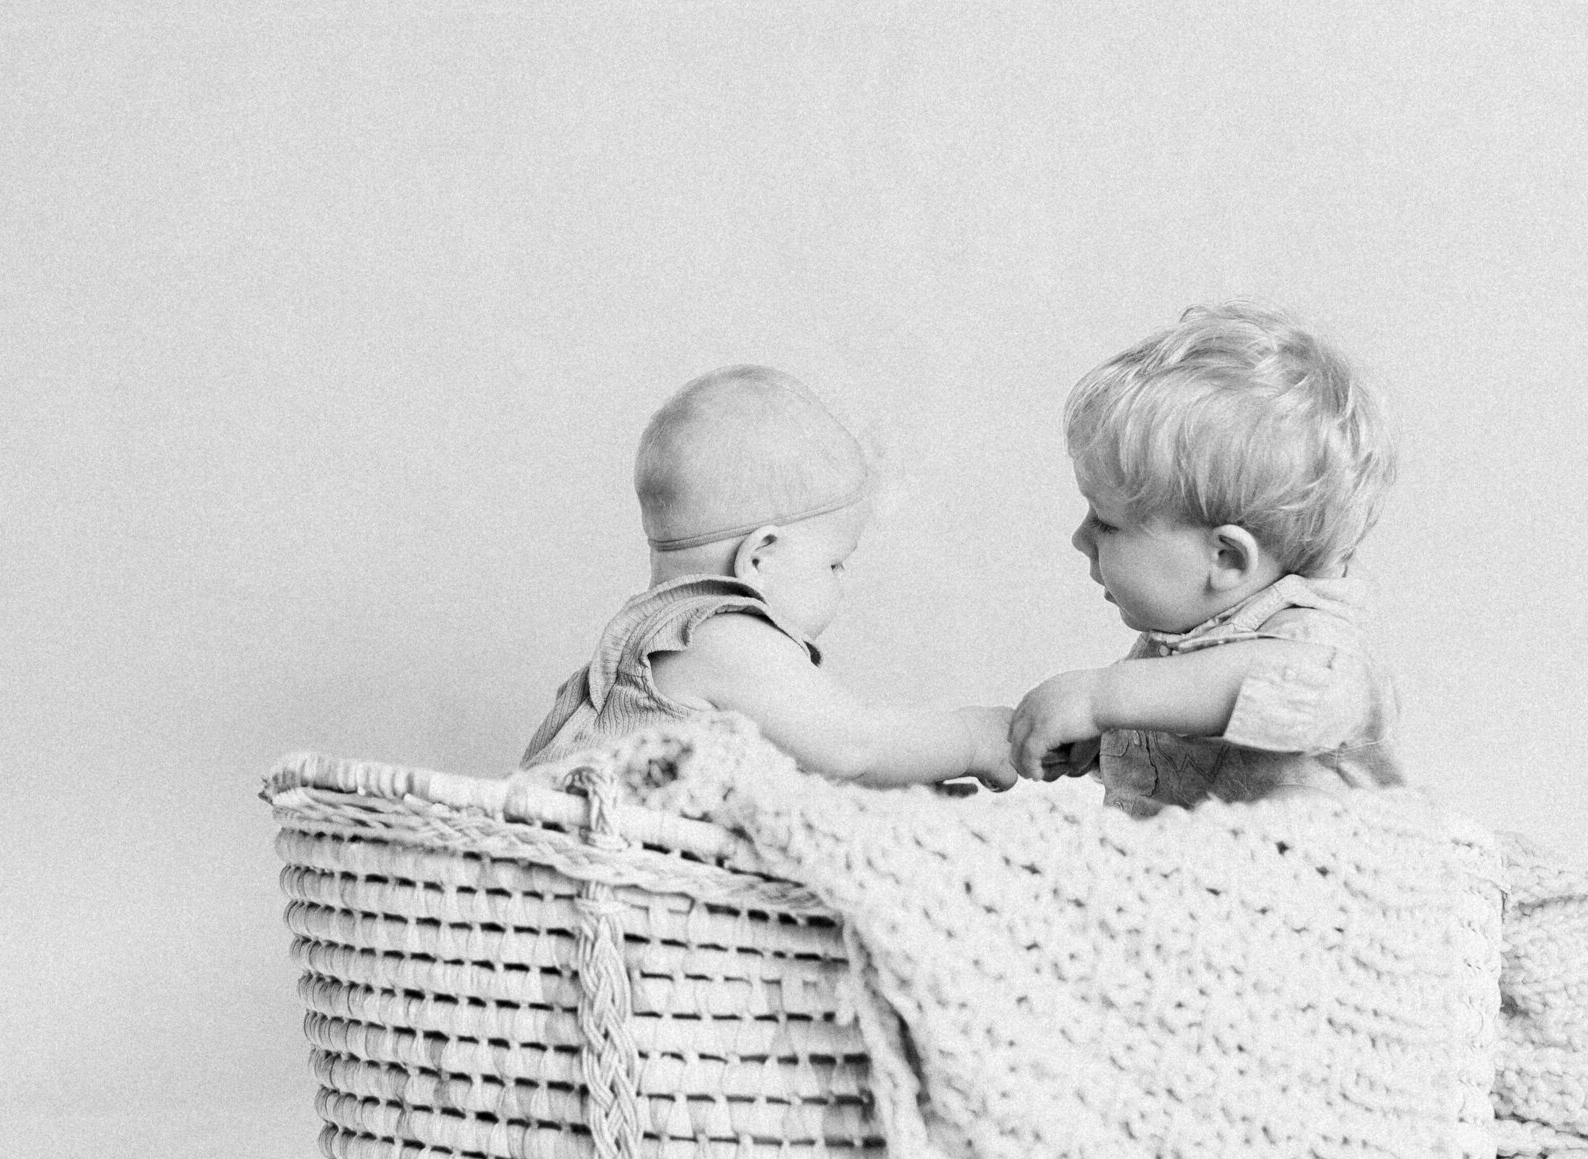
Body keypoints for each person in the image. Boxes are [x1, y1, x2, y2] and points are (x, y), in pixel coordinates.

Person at [524, 365, 1016, 787]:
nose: (842, 582)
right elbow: (852, 746)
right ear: (760, 558)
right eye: (835, 563)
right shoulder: (719, 635)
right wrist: (972, 738)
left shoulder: (643, 642)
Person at [1010, 304, 1405, 813]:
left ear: (1225, 557)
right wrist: (1104, 740)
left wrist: (1101, 700)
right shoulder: (1183, 646)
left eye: (1105, 522)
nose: (1080, 538)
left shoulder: (1316, 644)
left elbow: (1287, 680)